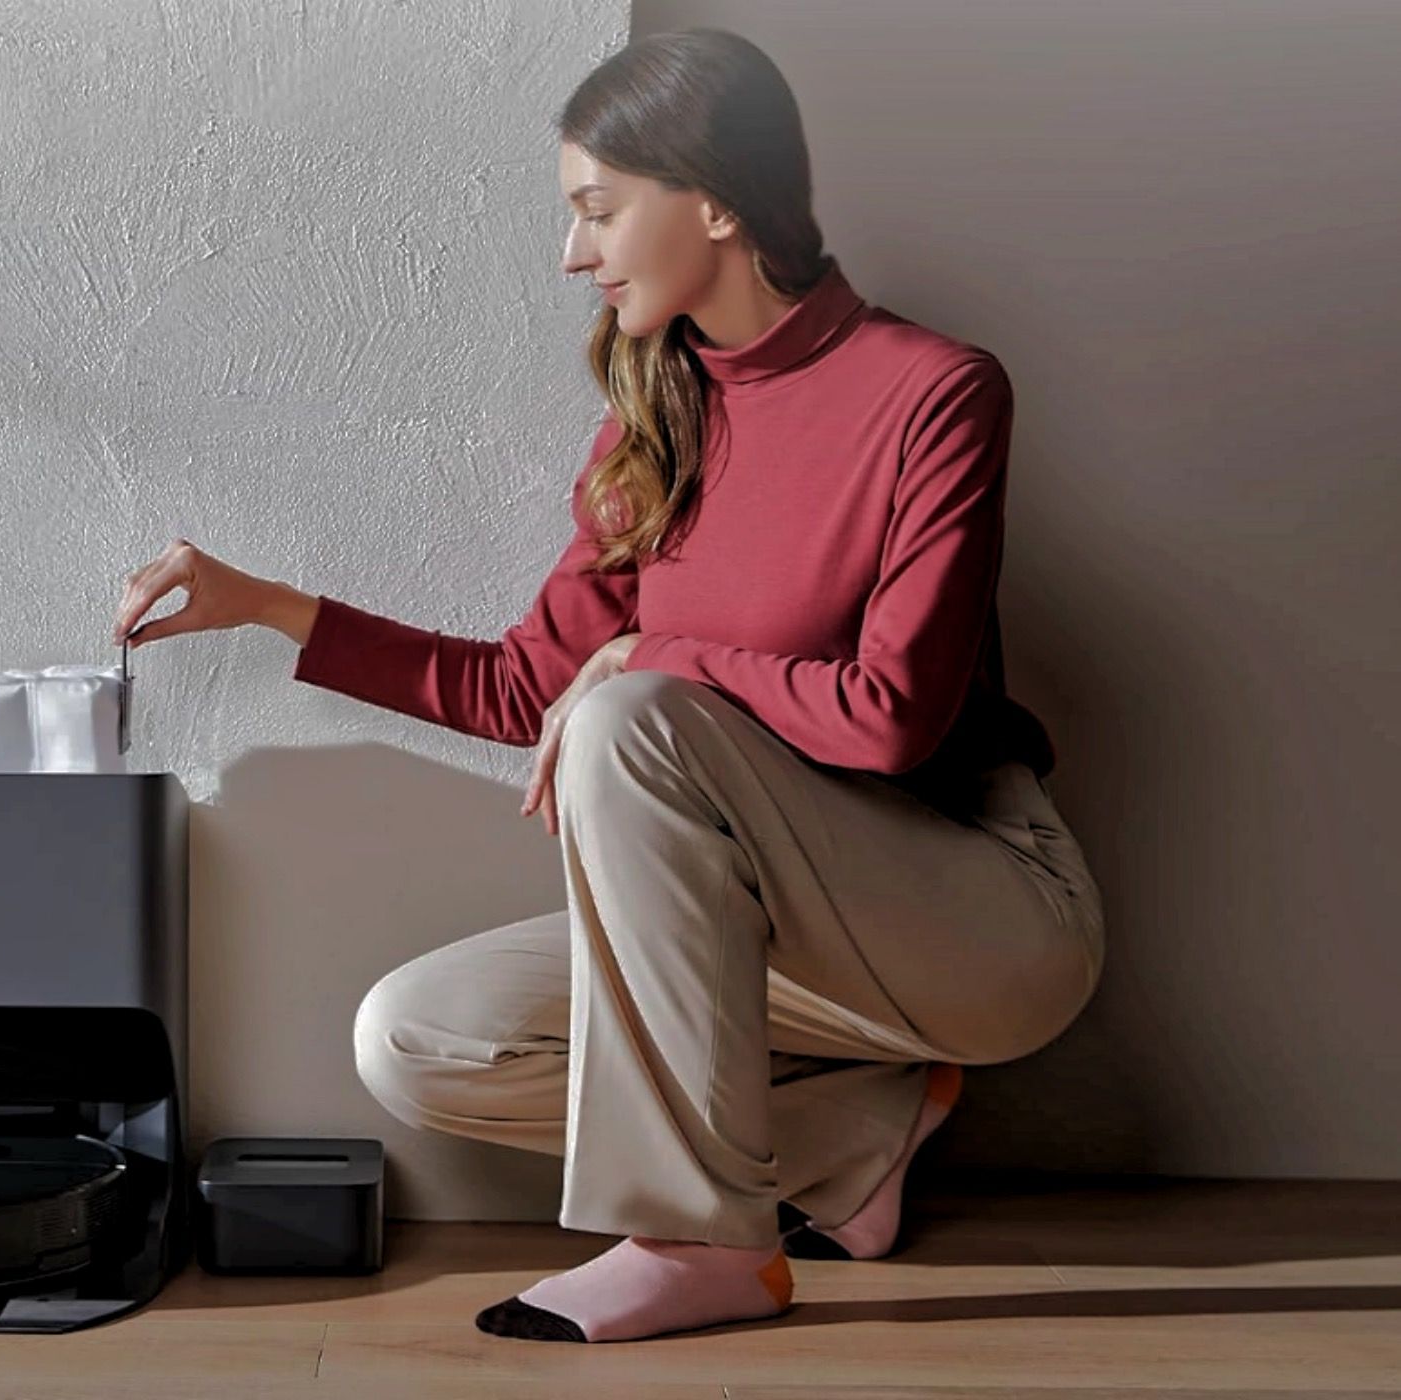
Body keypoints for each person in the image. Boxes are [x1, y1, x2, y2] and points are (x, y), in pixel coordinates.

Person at [110, 26, 1104, 1345]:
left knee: (633, 711)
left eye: (596, 211)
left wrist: (652, 658)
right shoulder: (654, 428)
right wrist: (267, 605)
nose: (573, 254)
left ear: (716, 199)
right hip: (781, 954)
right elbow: (532, 689)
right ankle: (859, 1135)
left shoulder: (933, 394)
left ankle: (699, 1244)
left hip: (982, 915)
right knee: (416, 1039)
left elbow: (891, 716)